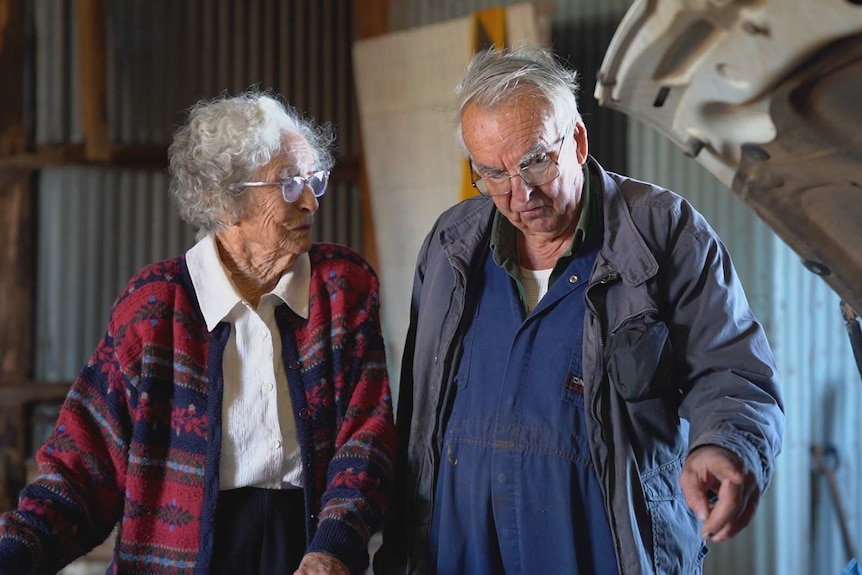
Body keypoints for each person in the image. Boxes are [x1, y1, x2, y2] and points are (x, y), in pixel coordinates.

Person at [375, 46, 785, 575]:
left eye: (535, 161)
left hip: (604, 549)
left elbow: (734, 373)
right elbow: (418, 411)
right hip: (460, 550)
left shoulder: (662, 233)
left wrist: (727, 446)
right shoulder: (452, 245)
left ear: (577, 141)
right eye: (492, 173)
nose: (519, 193)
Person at [0, 91, 396, 575]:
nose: (311, 200)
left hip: (308, 547)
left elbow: (367, 439)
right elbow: (84, 466)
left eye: (314, 179)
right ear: (223, 200)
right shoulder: (155, 307)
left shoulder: (343, 289)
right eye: (289, 184)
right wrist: (16, 551)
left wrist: (334, 547)